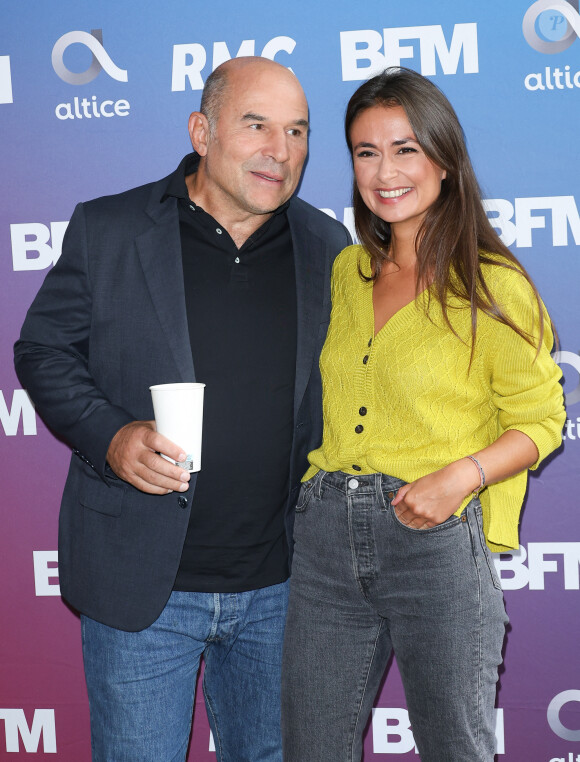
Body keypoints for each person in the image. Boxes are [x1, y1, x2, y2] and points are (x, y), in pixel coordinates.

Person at [14, 56, 350, 762]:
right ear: (203, 130)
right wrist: (110, 436)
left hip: (282, 588)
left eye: (298, 131)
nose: (280, 150)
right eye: (256, 125)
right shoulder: (109, 230)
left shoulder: (328, 246)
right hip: (142, 584)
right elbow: (42, 350)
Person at [281, 67, 565, 762]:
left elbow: (540, 421)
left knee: (453, 749)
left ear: (444, 158)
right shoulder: (345, 273)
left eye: (405, 148)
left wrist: (460, 477)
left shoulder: (492, 286)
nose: (385, 171)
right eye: (366, 151)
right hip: (323, 541)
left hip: (434, 537)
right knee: (310, 750)